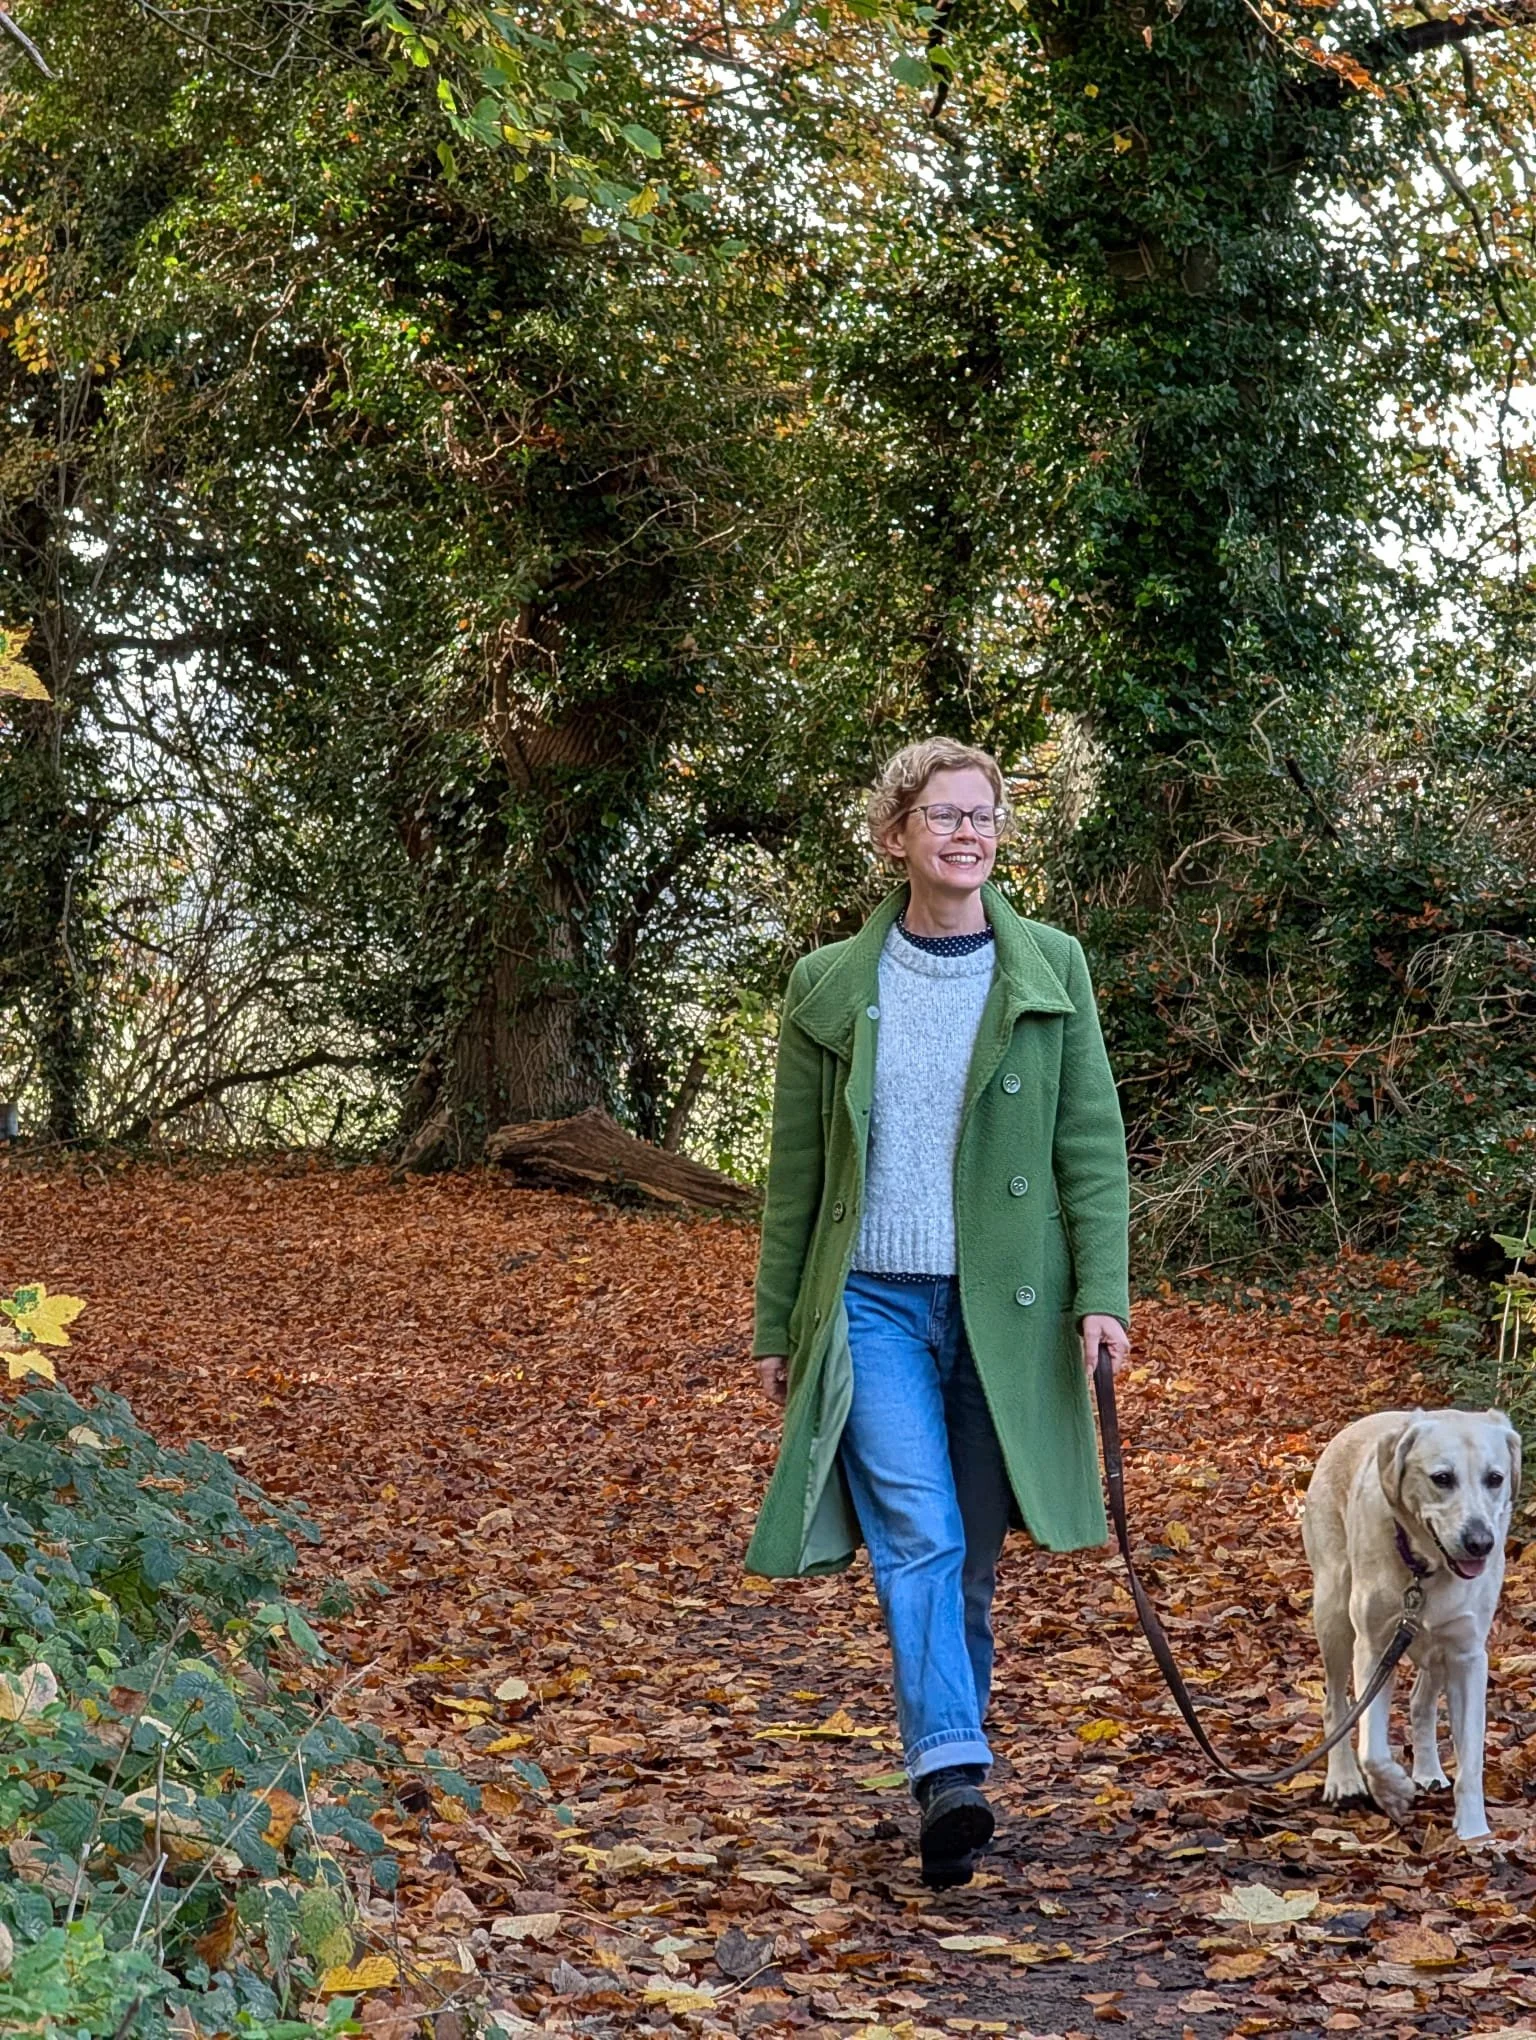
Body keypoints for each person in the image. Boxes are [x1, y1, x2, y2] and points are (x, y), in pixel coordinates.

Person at [746, 736, 1131, 1888]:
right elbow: (796, 1176)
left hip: (1005, 1312)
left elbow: (1091, 1147)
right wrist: (776, 1325)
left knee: (967, 1561)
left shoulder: (1053, 968)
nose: (969, 834)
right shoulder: (830, 984)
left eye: (984, 815)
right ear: (895, 835)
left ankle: (945, 1785)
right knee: (918, 1534)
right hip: (869, 1301)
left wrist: (1103, 1296)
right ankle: (953, 1773)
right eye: (945, 815)